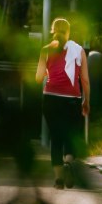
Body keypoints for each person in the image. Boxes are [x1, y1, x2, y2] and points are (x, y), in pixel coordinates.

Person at [35, 18, 89, 189]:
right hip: (72, 100)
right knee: (71, 135)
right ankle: (68, 163)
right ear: (68, 32)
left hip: (50, 99)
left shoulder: (46, 50)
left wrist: (47, 71)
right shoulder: (79, 50)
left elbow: (38, 78)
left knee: (56, 137)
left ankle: (58, 180)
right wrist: (86, 101)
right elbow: (85, 80)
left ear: (53, 31)